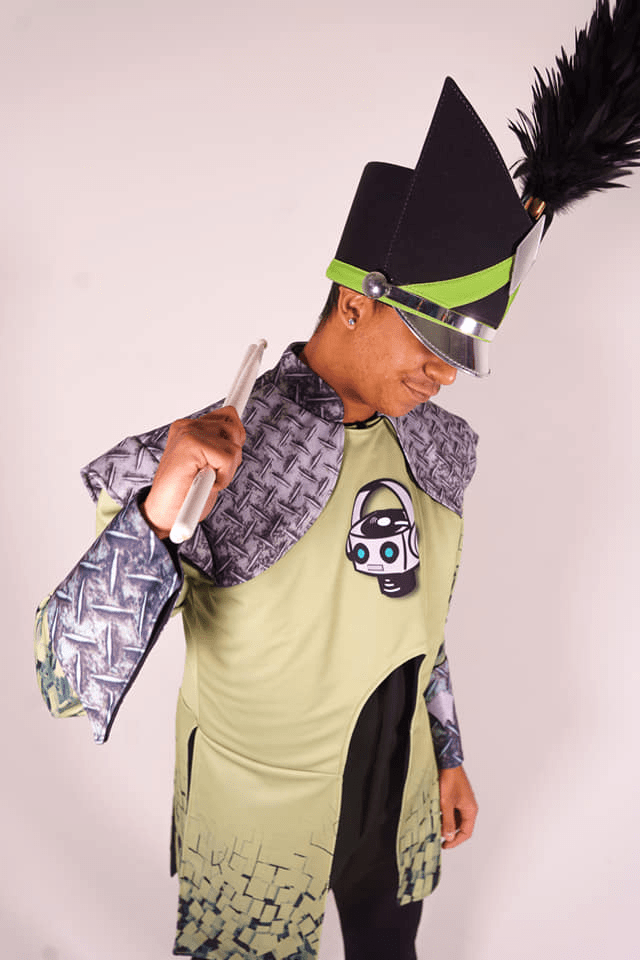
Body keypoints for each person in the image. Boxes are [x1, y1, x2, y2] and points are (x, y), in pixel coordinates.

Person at [34, 5, 640, 956]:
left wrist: (447, 754)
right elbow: (65, 679)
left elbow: (417, 621)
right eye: (434, 338)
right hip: (254, 823)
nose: (445, 373)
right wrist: (154, 514)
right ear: (357, 301)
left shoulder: (438, 447)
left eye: (465, 353)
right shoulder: (208, 454)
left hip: (395, 799)